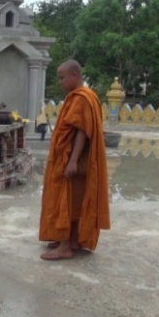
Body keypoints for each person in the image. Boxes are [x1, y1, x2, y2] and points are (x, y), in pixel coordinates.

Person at [38, 60, 110, 261]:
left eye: (62, 77)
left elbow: (81, 131)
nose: (60, 82)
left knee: (66, 200)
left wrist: (72, 161)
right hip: (80, 161)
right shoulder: (88, 97)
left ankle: (64, 247)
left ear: (74, 76)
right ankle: (74, 240)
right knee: (76, 201)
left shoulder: (81, 98)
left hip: (73, 160)